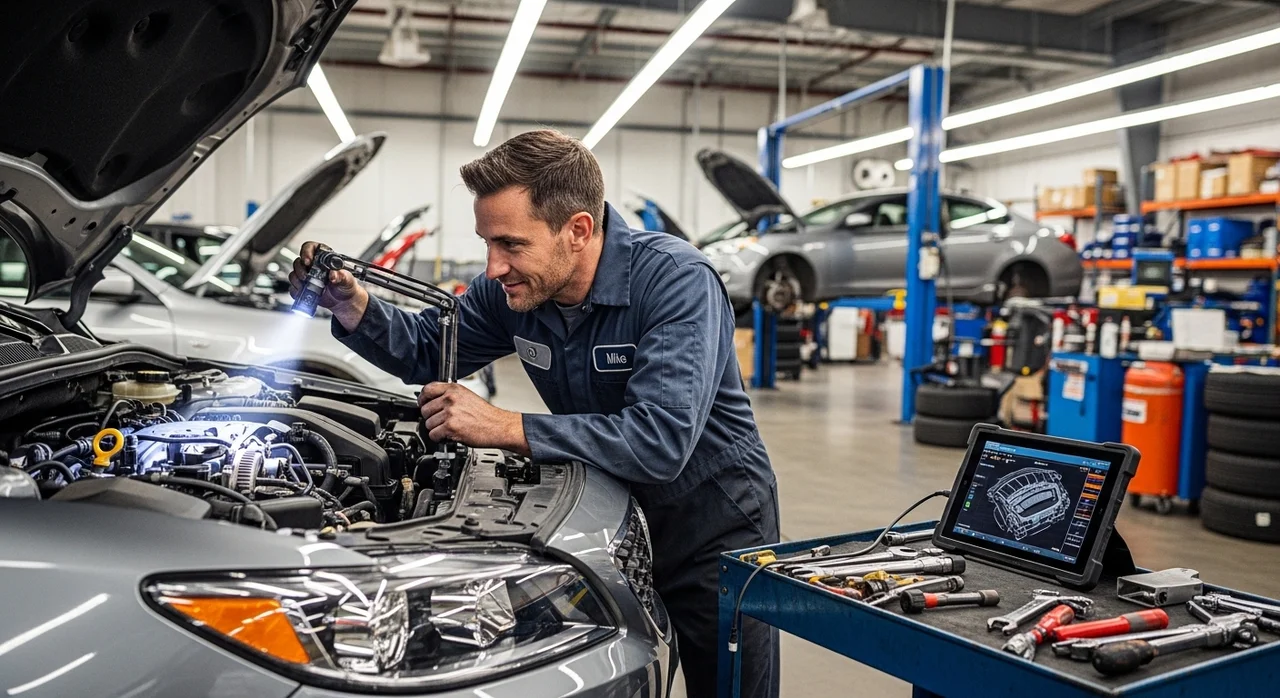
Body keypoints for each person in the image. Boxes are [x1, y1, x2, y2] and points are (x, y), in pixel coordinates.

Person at [289, 129, 779, 698]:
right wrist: (356, 309)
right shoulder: (516, 290)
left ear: (578, 230)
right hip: (612, 516)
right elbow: (431, 347)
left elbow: (659, 440)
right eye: (487, 243)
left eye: (511, 244)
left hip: (713, 530)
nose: (493, 267)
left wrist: (503, 426)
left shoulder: (673, 281)